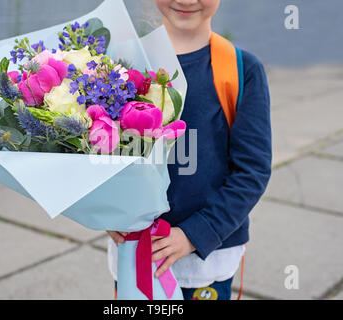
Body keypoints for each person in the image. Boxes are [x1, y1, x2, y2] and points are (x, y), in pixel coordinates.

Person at [107, 0, 272, 300]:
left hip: (205, 262)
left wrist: (195, 234)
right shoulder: (122, 63)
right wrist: (106, 214)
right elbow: (99, 155)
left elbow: (252, 172)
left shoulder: (242, 70)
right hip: (134, 253)